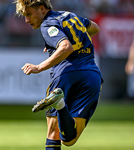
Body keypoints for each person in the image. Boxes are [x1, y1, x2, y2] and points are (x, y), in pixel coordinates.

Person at [14, 0, 103, 149]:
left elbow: (65, 47)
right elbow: (95, 28)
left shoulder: (47, 24)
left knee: (53, 133)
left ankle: (59, 103)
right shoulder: (70, 16)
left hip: (65, 75)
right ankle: (60, 105)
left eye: (29, 14)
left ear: (42, 9)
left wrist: (39, 67)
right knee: (69, 140)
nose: (27, 20)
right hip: (91, 75)